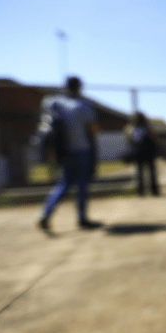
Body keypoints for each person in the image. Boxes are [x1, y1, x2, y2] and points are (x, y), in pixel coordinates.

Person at [37, 76, 102, 232]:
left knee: (63, 183)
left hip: (63, 151)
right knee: (81, 185)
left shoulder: (53, 102)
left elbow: (46, 125)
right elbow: (93, 130)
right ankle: (82, 219)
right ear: (79, 87)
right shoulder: (83, 105)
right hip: (82, 150)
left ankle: (46, 214)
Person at [124, 112, 160, 197]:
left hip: (143, 152)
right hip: (145, 153)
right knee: (147, 172)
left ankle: (144, 191)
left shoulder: (134, 128)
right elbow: (154, 138)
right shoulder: (141, 128)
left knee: (144, 172)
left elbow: (129, 140)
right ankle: (150, 191)